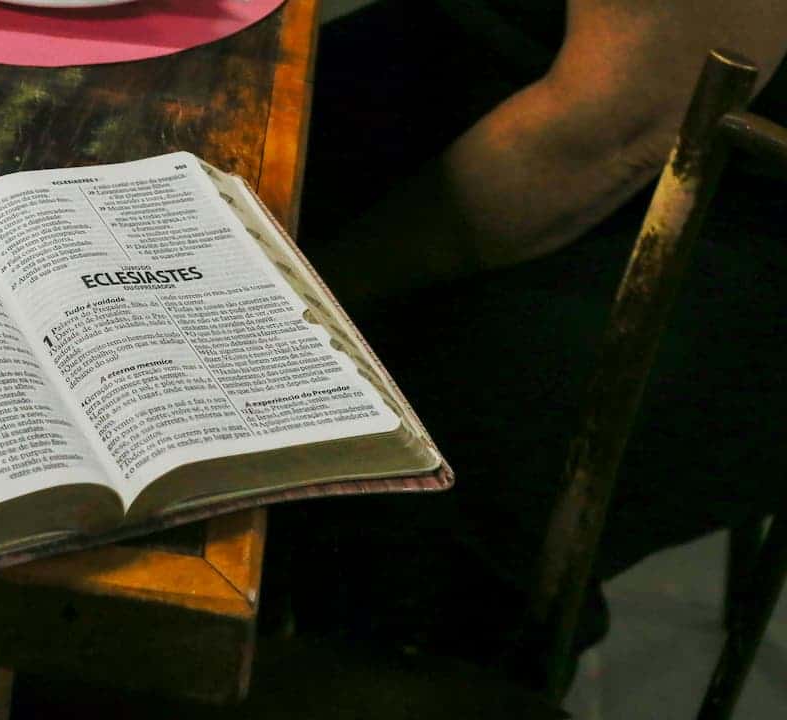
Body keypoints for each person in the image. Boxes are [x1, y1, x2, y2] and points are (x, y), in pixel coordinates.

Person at [271, 0, 787, 668]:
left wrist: (298, 299)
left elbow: (615, 127)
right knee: (193, 147)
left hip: (729, 182)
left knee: (420, 455)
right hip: (525, 52)